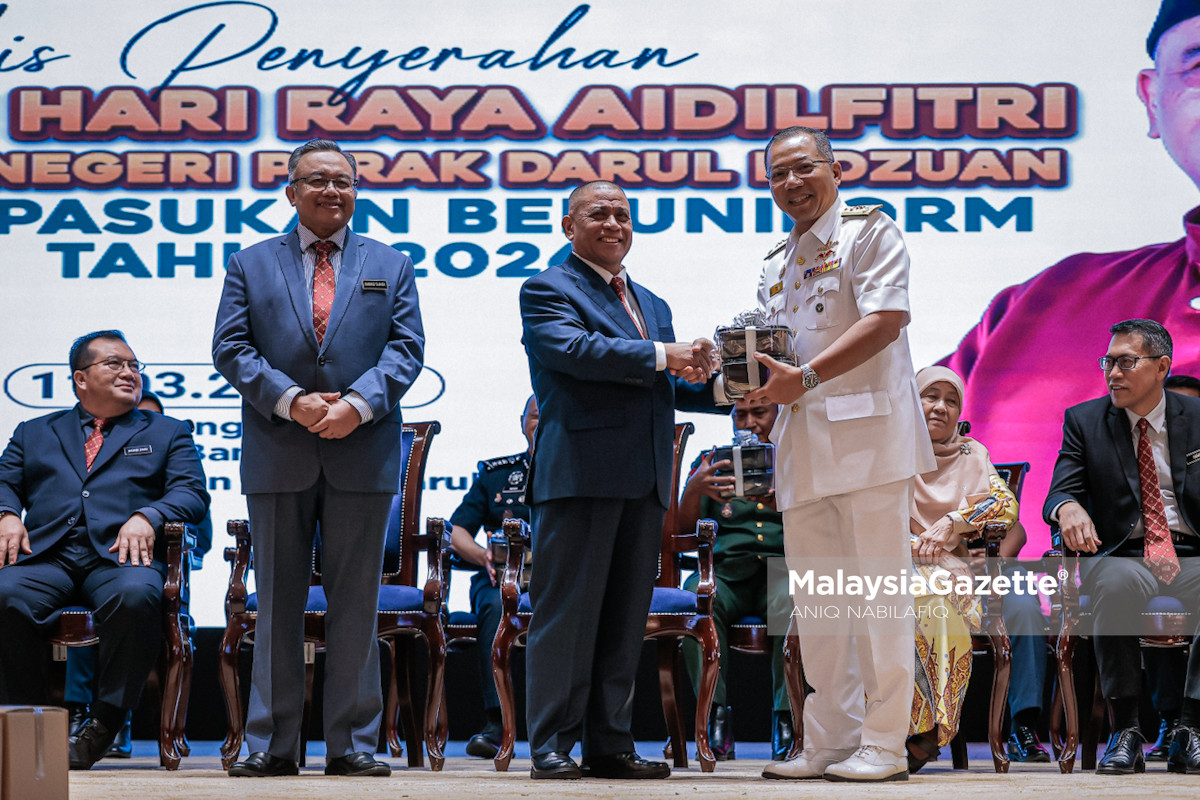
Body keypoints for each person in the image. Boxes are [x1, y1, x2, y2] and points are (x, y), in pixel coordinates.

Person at [943, 1, 1200, 549]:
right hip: (1065, 615)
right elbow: (882, 425)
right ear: (1153, 99)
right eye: (1199, 63)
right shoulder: (1046, 302)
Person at [212, 138, 424, 778]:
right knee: (275, 600)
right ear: (291, 191)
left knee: (356, 600)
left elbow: (406, 351)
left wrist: (355, 405)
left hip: (362, 449)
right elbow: (231, 348)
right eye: (317, 180)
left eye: (343, 180)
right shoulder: (250, 263)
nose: (332, 190)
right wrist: (294, 401)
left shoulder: (392, 262)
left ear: (356, 191)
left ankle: (351, 745)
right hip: (280, 450)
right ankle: (269, 746)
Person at [518, 179, 724, 780]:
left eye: (623, 214)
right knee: (565, 618)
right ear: (568, 226)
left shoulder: (651, 303)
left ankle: (610, 743)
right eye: (598, 213)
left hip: (644, 481)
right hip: (579, 476)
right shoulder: (547, 287)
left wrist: (731, 385)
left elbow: (669, 384)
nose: (613, 223)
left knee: (623, 618)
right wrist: (668, 353)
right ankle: (551, 745)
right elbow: (577, 352)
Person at [749, 126, 934, 782]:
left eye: (803, 169)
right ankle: (828, 739)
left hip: (871, 443)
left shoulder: (871, 231)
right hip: (802, 443)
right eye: (777, 175)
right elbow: (785, 357)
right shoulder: (775, 259)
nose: (792, 184)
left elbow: (885, 321)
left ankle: (884, 743)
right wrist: (762, 393)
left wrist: (802, 379)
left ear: (834, 168)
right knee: (822, 601)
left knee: (879, 599)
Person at [0, 331, 210, 770]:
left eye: (134, 365)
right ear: (81, 378)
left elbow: (191, 493)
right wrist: (6, 514)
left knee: (137, 596)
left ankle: (103, 724)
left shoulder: (167, 432)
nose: (129, 372)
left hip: (120, 557)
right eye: (115, 364)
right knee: (6, 593)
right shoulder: (35, 431)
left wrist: (149, 515)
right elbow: (4, 482)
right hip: (49, 556)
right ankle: (27, 723)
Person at [1044, 318, 1200, 775]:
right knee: (1110, 582)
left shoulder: (1196, 419)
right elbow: (1058, 491)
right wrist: (1067, 507)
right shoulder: (1086, 421)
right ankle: (1126, 729)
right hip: (1125, 553)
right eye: (1107, 362)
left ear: (1161, 367)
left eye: (1125, 362)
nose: (1112, 372)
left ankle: (1190, 728)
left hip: (1191, 551)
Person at [63, 389, 214, 759]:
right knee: (84, 619)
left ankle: (113, 717)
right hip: (94, 572)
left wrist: (154, 522)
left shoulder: (177, 470)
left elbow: (204, 536)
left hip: (148, 571)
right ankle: (78, 712)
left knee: (133, 601)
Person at [905, 366, 1018, 772]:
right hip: (885, 558)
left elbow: (1004, 505)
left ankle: (929, 730)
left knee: (932, 600)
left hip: (944, 566)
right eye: (929, 396)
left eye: (950, 400)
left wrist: (953, 521)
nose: (939, 407)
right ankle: (875, 727)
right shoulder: (888, 447)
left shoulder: (973, 453)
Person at [678, 397, 792, 762]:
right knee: (698, 596)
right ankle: (715, 719)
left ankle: (788, 719)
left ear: (778, 414)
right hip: (724, 571)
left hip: (782, 570)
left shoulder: (796, 459)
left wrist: (791, 503)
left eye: (759, 412)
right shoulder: (712, 462)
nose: (749, 422)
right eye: (739, 414)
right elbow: (680, 532)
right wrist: (695, 489)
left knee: (799, 598)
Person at [447, 394, 537, 758]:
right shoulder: (497, 474)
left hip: (561, 580)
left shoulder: (583, 470)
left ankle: (570, 722)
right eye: (534, 416)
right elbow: (456, 531)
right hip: (502, 580)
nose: (541, 423)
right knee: (494, 606)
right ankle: (496, 723)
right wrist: (483, 555)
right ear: (522, 422)